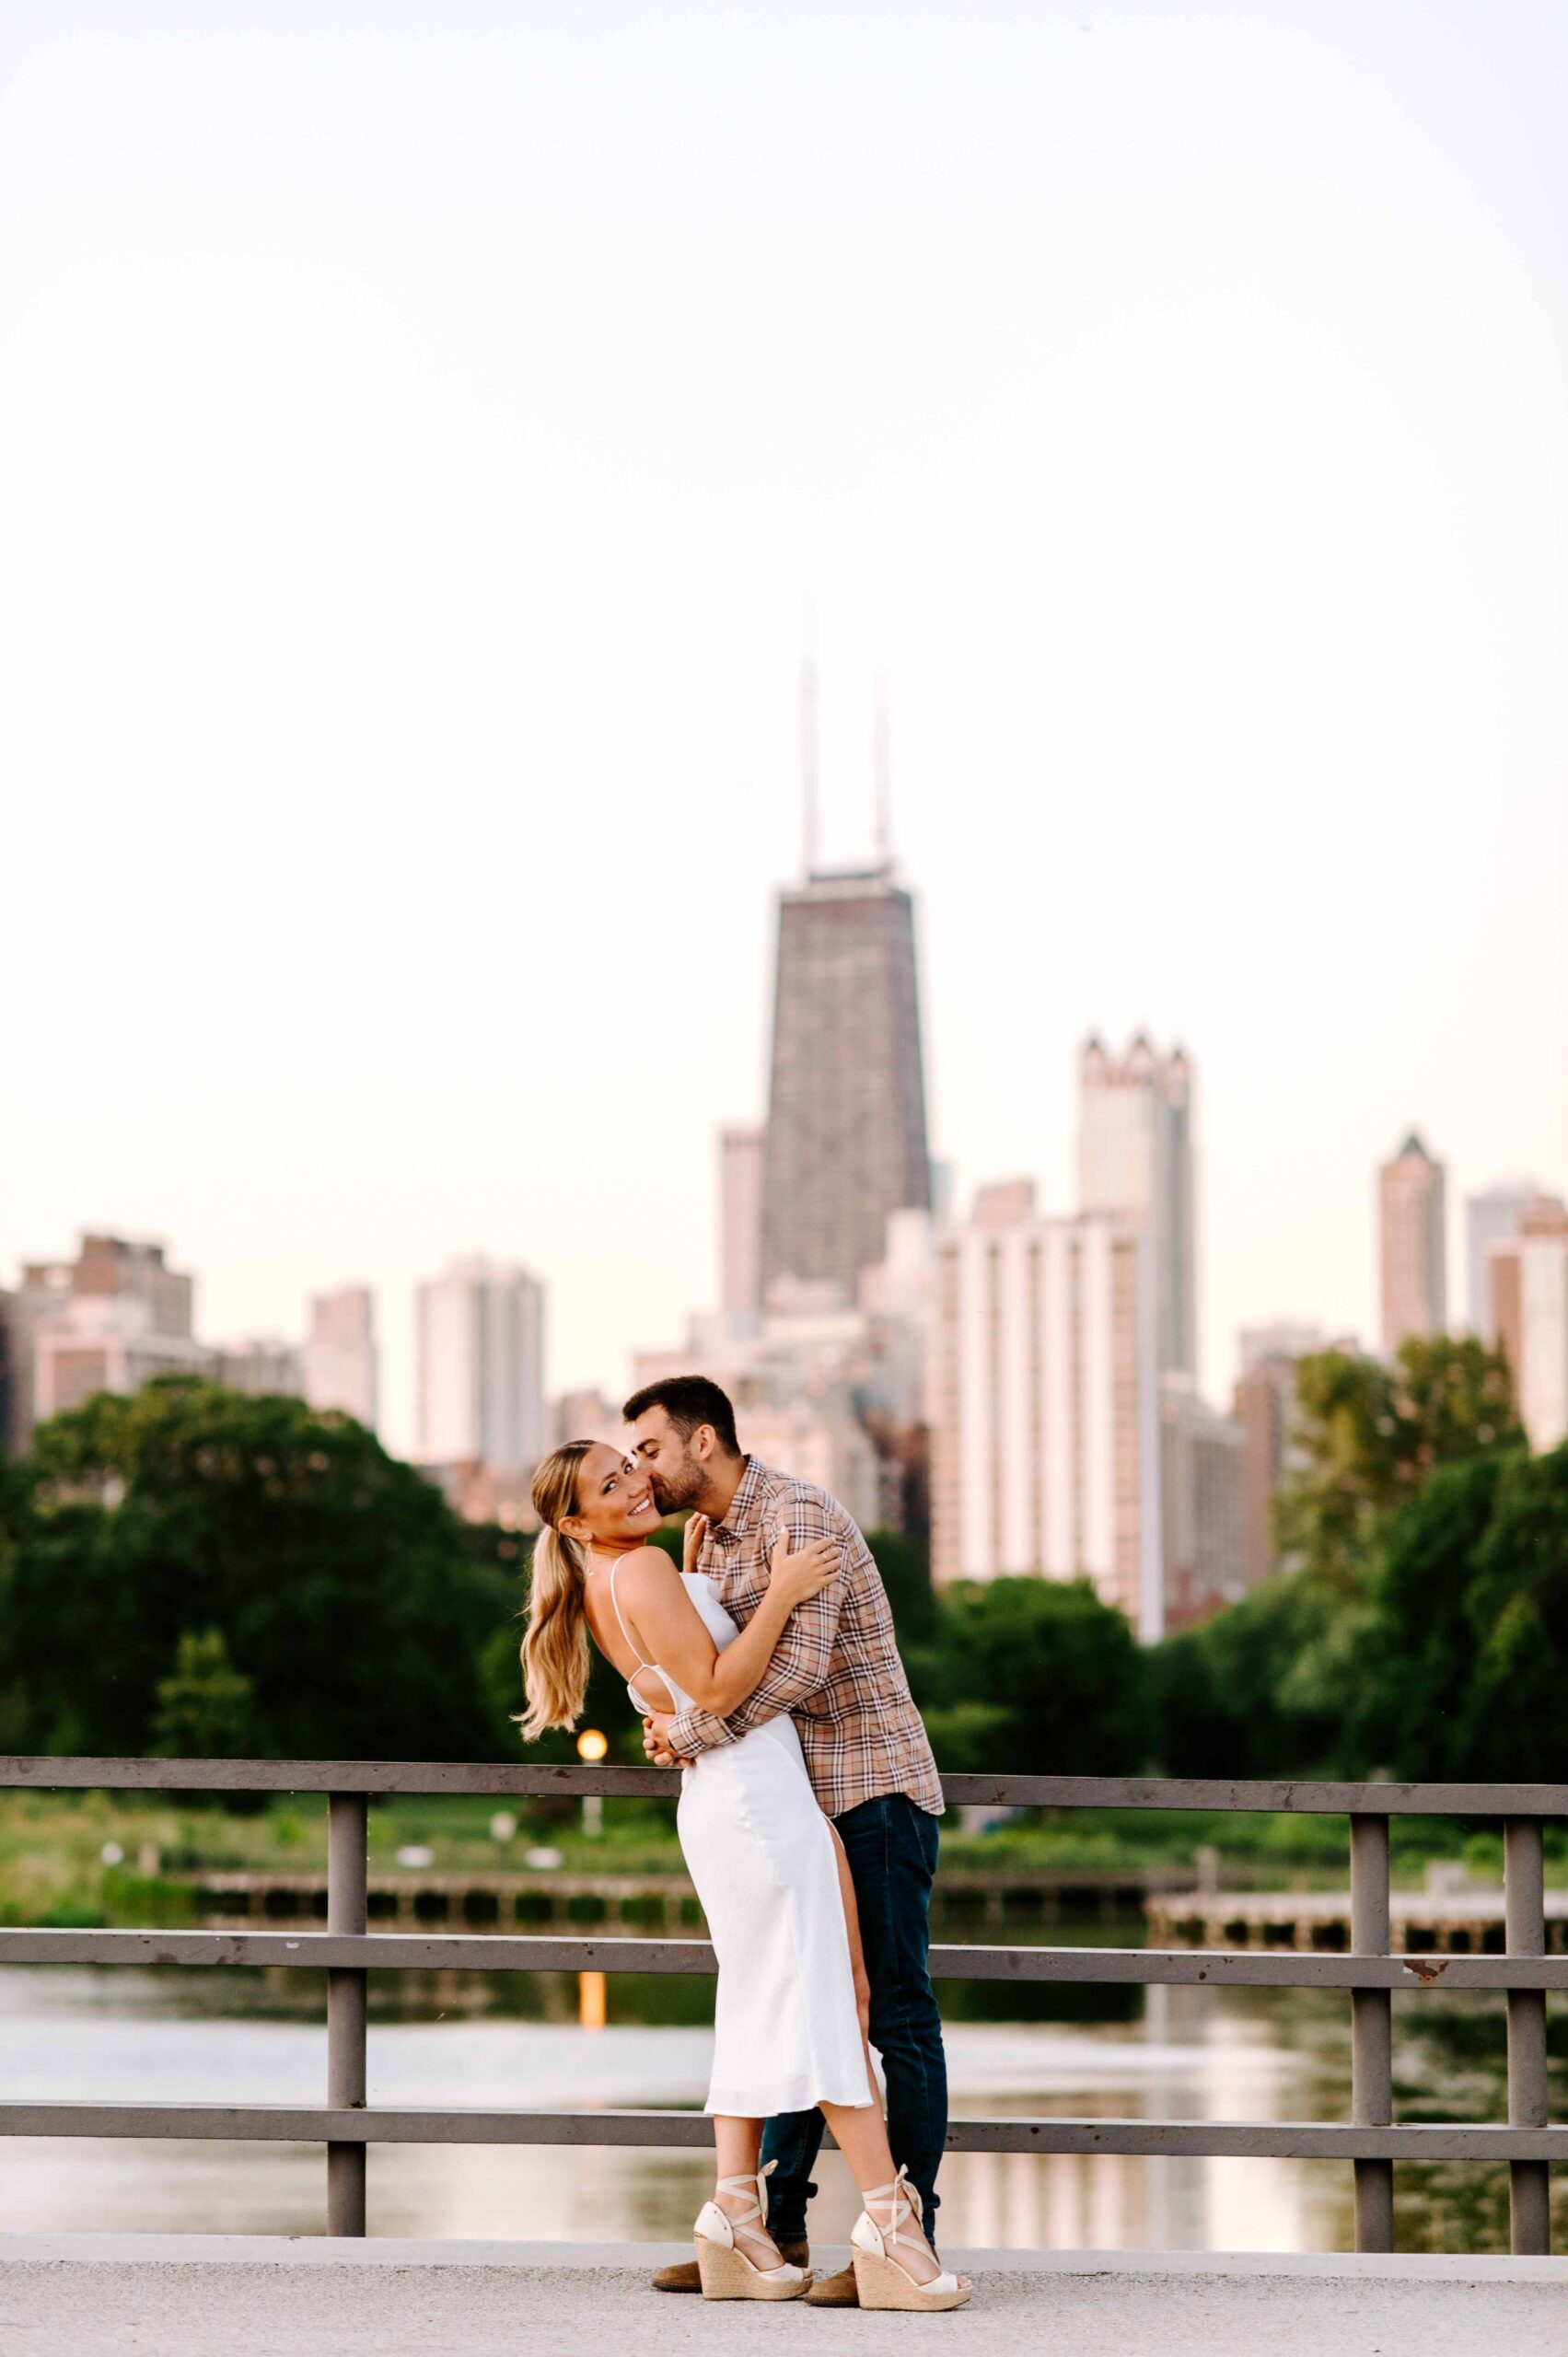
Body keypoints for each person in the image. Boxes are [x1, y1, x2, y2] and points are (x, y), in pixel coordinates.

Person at [521, 1422, 970, 2312]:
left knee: (767, 2006)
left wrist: (684, 1677)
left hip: (744, 1803)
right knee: (830, 2003)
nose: (634, 1485)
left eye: (630, 1467)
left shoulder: (617, 1574)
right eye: (612, 1484)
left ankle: (736, 2214)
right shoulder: (640, 1569)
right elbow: (723, 1688)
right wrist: (783, 1594)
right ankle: (886, 2222)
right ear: (574, 1524)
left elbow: (689, 1686)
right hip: (758, 1808)